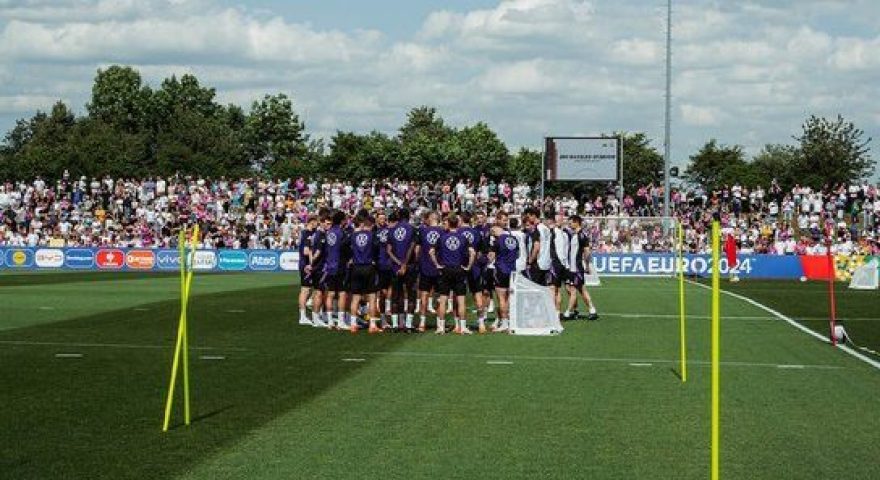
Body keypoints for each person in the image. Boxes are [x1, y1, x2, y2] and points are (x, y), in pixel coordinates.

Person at [430, 213, 476, 334]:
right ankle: (463, 327)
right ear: (458, 224)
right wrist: (468, 266)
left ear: (449, 224)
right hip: (459, 269)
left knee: (443, 299)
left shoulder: (442, 237)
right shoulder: (463, 237)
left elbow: (431, 252)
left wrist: (437, 265)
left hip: (445, 269)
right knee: (461, 300)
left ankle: (440, 327)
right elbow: (473, 253)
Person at [348, 212, 380, 333]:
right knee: (372, 297)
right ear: (371, 225)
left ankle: (353, 324)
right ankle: (372, 325)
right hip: (368, 266)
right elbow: (377, 249)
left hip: (356, 267)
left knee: (355, 298)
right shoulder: (372, 235)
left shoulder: (353, 235)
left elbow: (347, 248)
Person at [387, 208, 417, 331]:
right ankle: (408, 325)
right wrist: (404, 264)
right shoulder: (413, 229)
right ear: (408, 216)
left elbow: (388, 250)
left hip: (395, 267)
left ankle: (395, 325)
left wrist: (398, 263)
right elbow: (412, 248)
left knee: (395, 295)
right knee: (411, 295)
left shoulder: (391, 230)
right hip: (409, 266)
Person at [563, 215, 598, 320]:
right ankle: (580, 310)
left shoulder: (582, 235)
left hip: (577, 268)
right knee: (573, 289)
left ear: (577, 222)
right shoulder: (574, 234)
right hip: (571, 268)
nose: (569, 224)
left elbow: (587, 252)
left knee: (577, 289)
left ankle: (569, 312)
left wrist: (587, 266)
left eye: (571, 222)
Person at [489, 215, 519, 333]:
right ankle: (510, 321)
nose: (493, 234)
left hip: (501, 270)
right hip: (512, 270)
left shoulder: (498, 241)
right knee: (509, 297)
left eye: (493, 232)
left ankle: (505, 322)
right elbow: (517, 254)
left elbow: (491, 257)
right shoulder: (514, 239)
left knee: (501, 298)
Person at [416, 211, 443, 332]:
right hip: (439, 268)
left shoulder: (422, 231)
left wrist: (419, 261)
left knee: (424, 295)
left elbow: (417, 249)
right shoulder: (443, 231)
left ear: (430, 218)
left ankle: (422, 323)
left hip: (425, 267)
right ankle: (439, 324)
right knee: (439, 297)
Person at [322, 210, 349, 330]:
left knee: (331, 293)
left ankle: (330, 322)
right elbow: (345, 249)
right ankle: (341, 321)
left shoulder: (328, 232)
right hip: (339, 265)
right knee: (342, 293)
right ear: (342, 220)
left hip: (330, 265)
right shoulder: (341, 232)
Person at [307, 212, 331, 327]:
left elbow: (311, 250)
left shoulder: (315, 234)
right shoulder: (321, 235)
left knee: (320, 291)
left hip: (316, 267)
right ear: (321, 223)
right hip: (320, 268)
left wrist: (310, 264)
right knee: (319, 293)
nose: (328, 225)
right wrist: (312, 264)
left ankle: (318, 316)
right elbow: (317, 252)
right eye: (327, 223)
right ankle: (316, 319)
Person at [297, 215, 318, 325]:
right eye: (316, 221)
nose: (317, 224)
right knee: (305, 290)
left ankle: (307, 310)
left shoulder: (311, 233)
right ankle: (302, 316)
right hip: (305, 265)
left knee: (310, 289)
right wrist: (313, 256)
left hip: (309, 265)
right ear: (311, 222)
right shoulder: (306, 233)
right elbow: (305, 251)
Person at [374, 211, 393, 329]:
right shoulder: (374, 232)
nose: (382, 220)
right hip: (380, 264)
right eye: (380, 218)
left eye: (383, 218)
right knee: (382, 291)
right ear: (377, 220)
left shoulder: (390, 231)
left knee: (390, 288)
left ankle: (388, 309)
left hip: (390, 263)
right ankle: (383, 318)